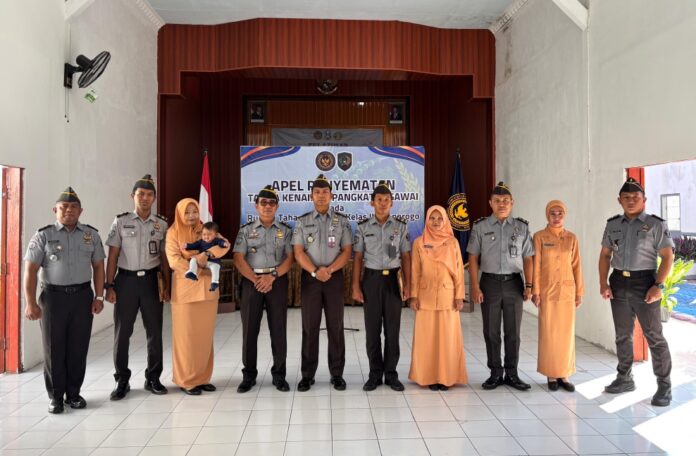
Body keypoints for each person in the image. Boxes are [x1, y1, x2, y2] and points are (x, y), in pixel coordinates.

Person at [23, 187, 105, 414]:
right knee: (53, 348)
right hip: (53, 298)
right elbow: (30, 270)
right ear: (55, 210)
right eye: (64, 207)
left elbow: (99, 266)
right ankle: (56, 397)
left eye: (73, 207)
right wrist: (30, 302)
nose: (69, 210)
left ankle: (74, 394)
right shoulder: (43, 235)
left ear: (81, 211)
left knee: (78, 347)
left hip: (82, 297)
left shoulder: (91, 235)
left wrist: (99, 296)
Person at [599, 177, 674, 406]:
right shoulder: (613, 224)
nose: (631, 201)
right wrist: (603, 283)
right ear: (619, 200)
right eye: (626, 197)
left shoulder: (655, 224)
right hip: (619, 282)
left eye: (635, 197)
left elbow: (667, 257)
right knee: (623, 334)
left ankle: (664, 386)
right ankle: (624, 378)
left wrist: (658, 285)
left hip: (645, 283)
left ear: (644, 200)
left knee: (654, 336)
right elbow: (605, 255)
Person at [105, 174, 171, 401]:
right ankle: (121, 379)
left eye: (149, 194)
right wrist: (109, 285)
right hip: (126, 282)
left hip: (152, 282)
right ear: (132, 196)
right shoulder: (120, 222)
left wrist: (167, 285)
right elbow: (112, 256)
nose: (145, 198)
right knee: (123, 333)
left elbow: (165, 258)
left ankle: (153, 377)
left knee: (155, 332)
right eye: (140, 194)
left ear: (154, 198)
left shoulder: (161, 224)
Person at [467, 182, 534, 391]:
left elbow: (528, 258)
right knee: (491, 331)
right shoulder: (480, 226)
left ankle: (512, 374)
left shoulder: (521, 227)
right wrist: (475, 287)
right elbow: (473, 257)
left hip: (514, 283)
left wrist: (529, 285)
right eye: (497, 201)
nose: (501, 204)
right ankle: (495, 373)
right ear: (490, 203)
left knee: (513, 333)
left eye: (505, 201)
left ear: (512, 203)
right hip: (489, 283)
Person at [292, 174, 352, 392]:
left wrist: (330, 270)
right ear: (311, 196)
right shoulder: (302, 221)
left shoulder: (342, 221)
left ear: (331, 195)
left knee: (336, 326)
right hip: (311, 278)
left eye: (325, 192)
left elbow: (347, 251)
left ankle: (337, 374)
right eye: (317, 192)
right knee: (310, 327)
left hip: (334, 278)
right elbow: (298, 252)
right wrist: (316, 271)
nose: (321, 196)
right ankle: (307, 375)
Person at [165, 198, 229, 395]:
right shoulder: (173, 233)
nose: (191, 216)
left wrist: (205, 255)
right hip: (186, 293)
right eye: (187, 212)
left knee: (204, 337)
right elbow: (174, 261)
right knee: (186, 338)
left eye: (194, 211)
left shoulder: (205, 228)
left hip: (207, 292)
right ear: (179, 213)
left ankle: (202, 378)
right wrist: (201, 268)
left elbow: (224, 245)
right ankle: (186, 380)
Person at [233, 185, 294, 393]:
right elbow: (238, 258)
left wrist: (271, 277)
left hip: (277, 282)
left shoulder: (285, 231)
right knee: (250, 331)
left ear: (277, 206)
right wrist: (256, 279)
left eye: (271, 203)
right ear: (256, 205)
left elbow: (290, 259)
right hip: (252, 282)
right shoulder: (245, 230)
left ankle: (279, 375)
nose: (267, 206)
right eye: (263, 203)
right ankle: (249, 375)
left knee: (278, 330)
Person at [352, 181, 412, 392]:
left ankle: (391, 374)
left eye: (387, 199)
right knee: (372, 331)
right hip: (371, 280)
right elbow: (358, 257)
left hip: (393, 280)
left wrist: (409, 284)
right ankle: (374, 374)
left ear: (392, 203)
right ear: (372, 203)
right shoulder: (363, 227)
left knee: (393, 331)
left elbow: (406, 257)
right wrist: (355, 285)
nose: (383, 203)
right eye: (379, 199)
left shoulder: (401, 226)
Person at [408, 205, 467, 390]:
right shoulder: (419, 242)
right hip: (425, 296)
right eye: (432, 218)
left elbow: (459, 271)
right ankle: (428, 377)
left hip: (447, 296)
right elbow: (415, 271)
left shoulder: (452, 242)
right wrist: (413, 296)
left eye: (439, 218)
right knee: (427, 339)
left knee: (447, 338)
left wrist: (459, 296)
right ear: (427, 220)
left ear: (445, 221)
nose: (435, 222)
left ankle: (446, 377)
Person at [531, 200, 584, 392]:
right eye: (552, 213)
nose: (556, 217)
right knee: (549, 334)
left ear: (565, 215)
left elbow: (577, 266)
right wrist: (535, 291)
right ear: (547, 215)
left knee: (566, 335)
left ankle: (564, 373)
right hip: (547, 292)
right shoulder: (539, 237)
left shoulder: (571, 238)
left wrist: (579, 292)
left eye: (560, 213)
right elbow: (536, 265)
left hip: (567, 293)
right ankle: (551, 374)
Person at [181, 221, 229, 291]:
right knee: (193, 259)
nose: (206, 237)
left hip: (212, 262)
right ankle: (192, 272)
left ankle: (215, 282)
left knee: (216, 267)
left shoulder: (216, 241)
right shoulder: (201, 242)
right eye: (204, 234)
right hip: (201, 261)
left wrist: (224, 243)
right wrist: (187, 245)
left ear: (215, 235)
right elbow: (194, 245)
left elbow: (221, 242)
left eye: (209, 234)